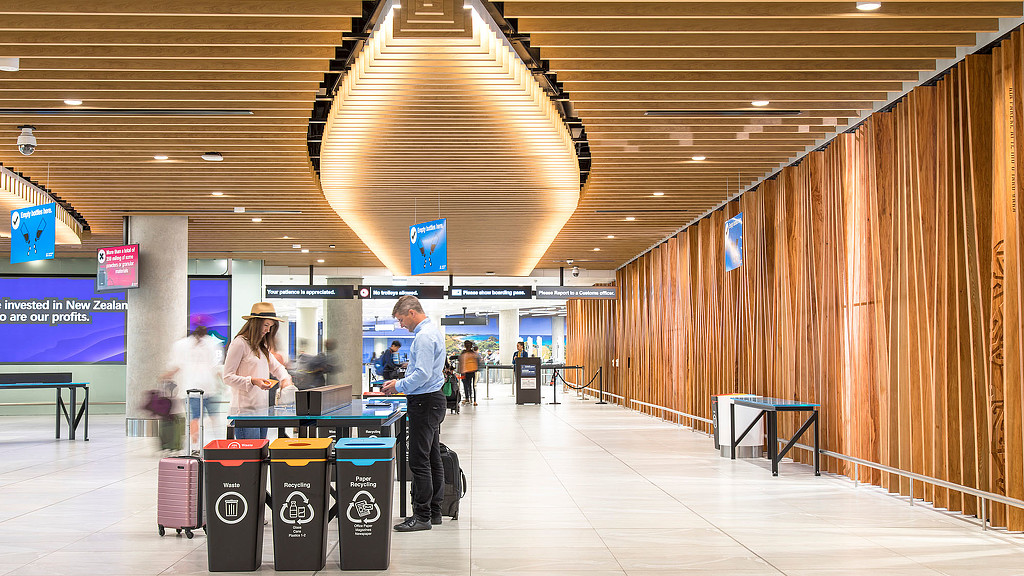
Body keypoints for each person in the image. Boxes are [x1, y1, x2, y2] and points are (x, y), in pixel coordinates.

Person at [382, 296, 446, 532]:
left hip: (424, 402)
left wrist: (397, 386)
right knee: (431, 457)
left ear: (411, 312)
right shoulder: (433, 332)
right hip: (431, 400)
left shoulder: (424, 336)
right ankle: (434, 512)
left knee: (419, 460)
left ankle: (422, 516)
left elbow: (422, 374)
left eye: (401, 319)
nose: (401, 325)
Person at [223, 302, 294, 440]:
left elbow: (277, 367)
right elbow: (227, 377)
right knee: (251, 457)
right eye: (266, 325)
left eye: (271, 327)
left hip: (261, 411)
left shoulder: (262, 347)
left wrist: (285, 379)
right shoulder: (239, 343)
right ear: (255, 323)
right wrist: (253, 381)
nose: (268, 330)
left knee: (260, 455)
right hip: (244, 412)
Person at [161, 321, 224, 453]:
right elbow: (217, 367)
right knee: (214, 417)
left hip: (191, 388)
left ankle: (195, 447)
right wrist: (225, 383)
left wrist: (165, 376)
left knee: (194, 417)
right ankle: (219, 444)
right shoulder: (213, 344)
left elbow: (176, 365)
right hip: (210, 387)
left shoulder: (181, 345)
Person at [458, 340, 478, 406]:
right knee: (473, 386)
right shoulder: (474, 353)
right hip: (473, 371)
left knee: (466, 385)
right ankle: (474, 400)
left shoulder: (463, 353)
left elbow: (460, 361)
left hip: (464, 372)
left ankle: (467, 398)